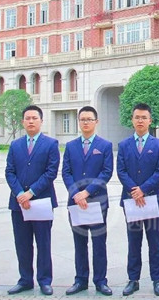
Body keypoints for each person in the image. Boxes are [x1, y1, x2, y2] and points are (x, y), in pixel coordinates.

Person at [5, 105, 60, 296]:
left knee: (43, 243)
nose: (30, 121)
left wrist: (31, 192)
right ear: (23, 121)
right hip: (18, 203)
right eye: (27, 118)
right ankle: (25, 280)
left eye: (34, 118)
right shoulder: (15, 145)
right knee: (22, 243)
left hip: (41, 201)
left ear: (41, 121)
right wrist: (20, 193)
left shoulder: (50, 144)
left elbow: (51, 172)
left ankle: (45, 280)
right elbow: (9, 172)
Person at [62, 106, 114, 296]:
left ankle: (101, 281)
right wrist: (77, 194)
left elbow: (106, 172)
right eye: (82, 119)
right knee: (80, 243)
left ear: (96, 122)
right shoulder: (70, 146)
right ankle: (80, 280)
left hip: (97, 202)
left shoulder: (105, 145)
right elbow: (66, 172)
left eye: (89, 119)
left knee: (99, 243)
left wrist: (87, 192)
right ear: (78, 122)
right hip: (76, 202)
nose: (86, 122)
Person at [116, 103, 159, 296]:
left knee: (155, 242)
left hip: (152, 200)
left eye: (144, 117)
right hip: (131, 201)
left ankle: (157, 280)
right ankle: (133, 279)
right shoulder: (123, 145)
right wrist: (134, 191)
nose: (140, 120)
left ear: (150, 120)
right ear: (132, 120)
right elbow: (121, 171)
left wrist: (143, 190)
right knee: (133, 242)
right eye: (137, 117)